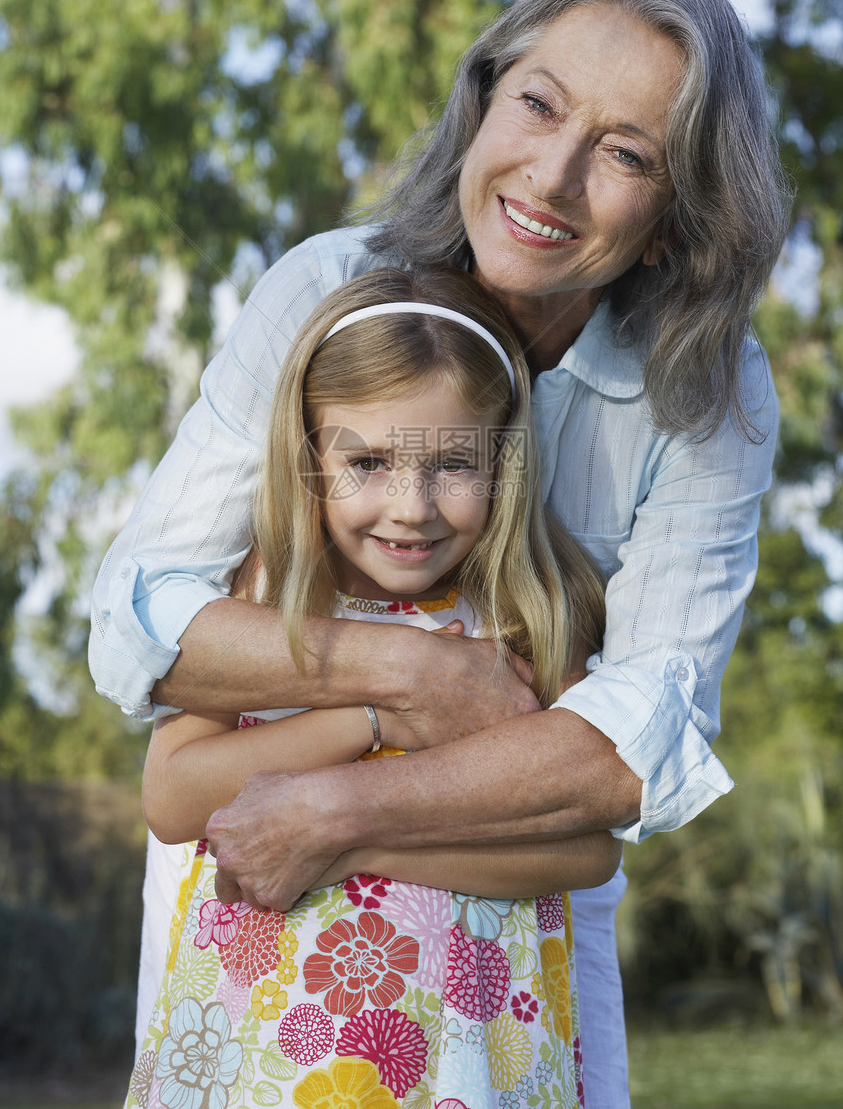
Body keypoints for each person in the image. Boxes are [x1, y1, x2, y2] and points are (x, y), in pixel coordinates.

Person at [91, 0, 790, 1107]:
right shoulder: (330, 290)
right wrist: (405, 677)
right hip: (256, 923)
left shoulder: (705, 395)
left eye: (624, 154)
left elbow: (625, 752)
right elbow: (137, 622)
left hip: (498, 952)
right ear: (482, 102)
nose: (551, 176)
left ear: (675, 221)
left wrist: (341, 816)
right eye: (537, 104)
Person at [125, 266, 618, 1109]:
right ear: (312, 454)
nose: (410, 507)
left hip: (474, 1040)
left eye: (453, 462)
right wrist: (371, 711)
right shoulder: (271, 588)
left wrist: (348, 844)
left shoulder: (529, 608)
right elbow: (173, 795)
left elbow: (586, 847)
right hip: (273, 1044)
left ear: (505, 459)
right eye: (370, 461)